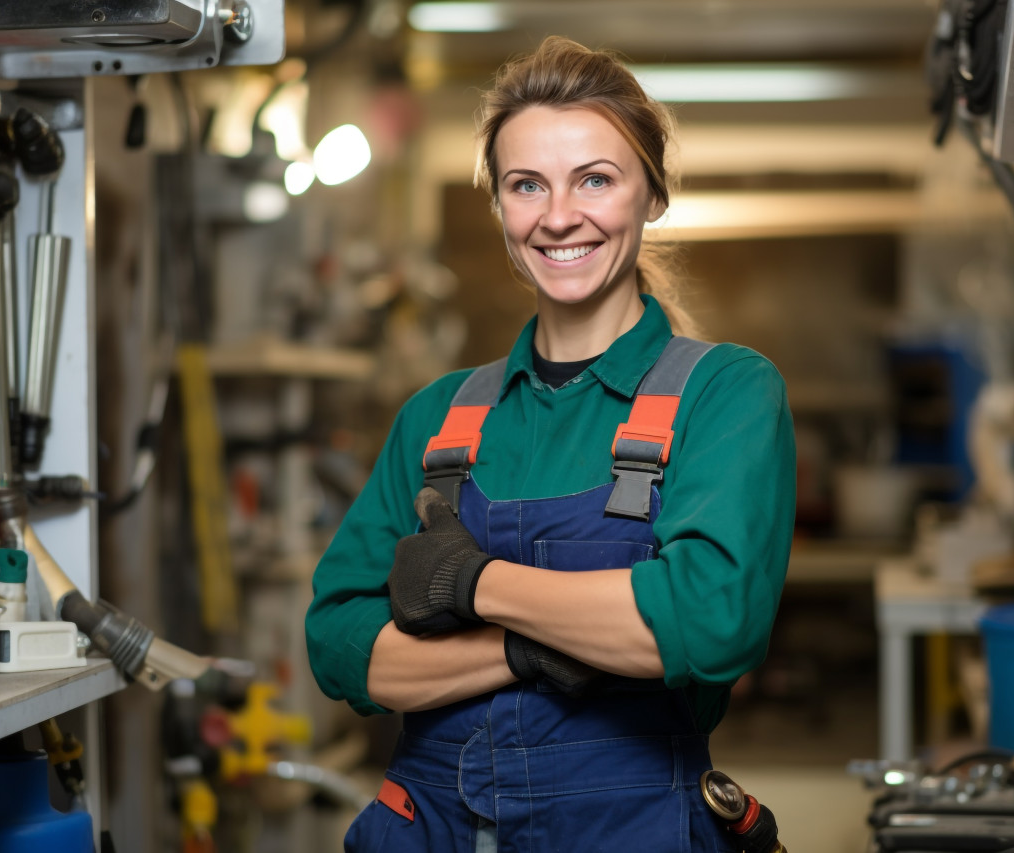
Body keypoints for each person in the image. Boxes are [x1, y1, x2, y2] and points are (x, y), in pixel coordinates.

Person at [306, 35, 796, 852]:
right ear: (499, 206)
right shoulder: (437, 417)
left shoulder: (725, 392)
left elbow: (710, 621)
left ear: (653, 196)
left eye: (595, 180)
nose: (559, 216)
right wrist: (544, 644)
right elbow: (341, 648)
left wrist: (472, 582)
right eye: (526, 184)